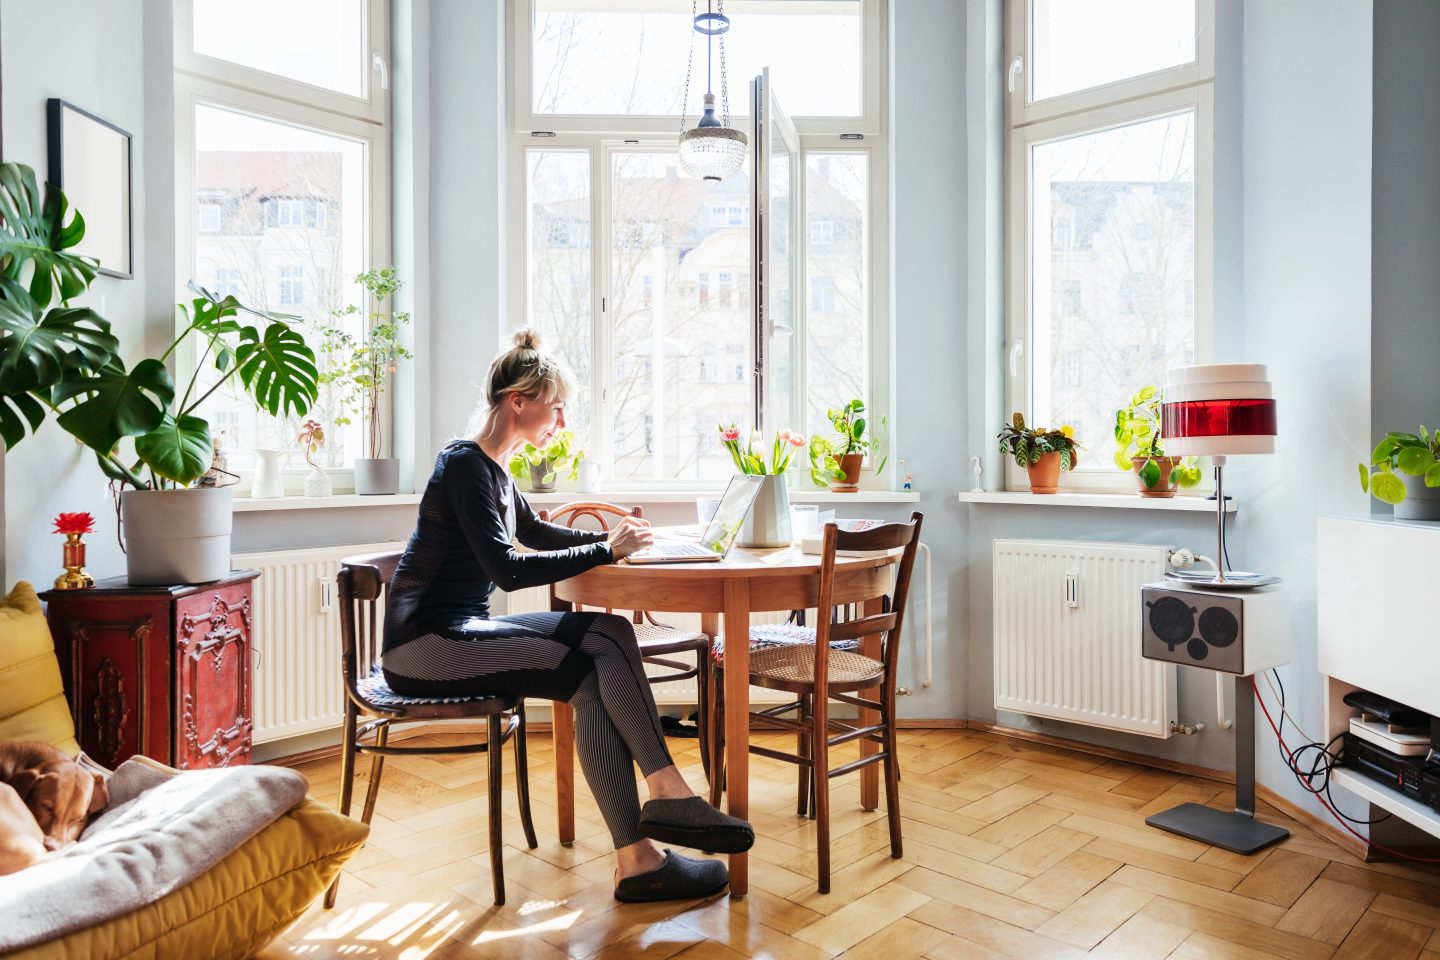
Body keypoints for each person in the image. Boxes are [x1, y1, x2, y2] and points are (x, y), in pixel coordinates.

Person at [381, 330, 753, 903]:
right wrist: (607, 550)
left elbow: (532, 532)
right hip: (424, 647)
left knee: (602, 647)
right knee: (597, 649)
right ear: (518, 401)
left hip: (460, 632)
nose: (560, 421)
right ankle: (661, 809)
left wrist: (617, 539)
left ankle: (643, 850)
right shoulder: (463, 466)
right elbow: (507, 568)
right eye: (556, 407)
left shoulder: (495, 471)